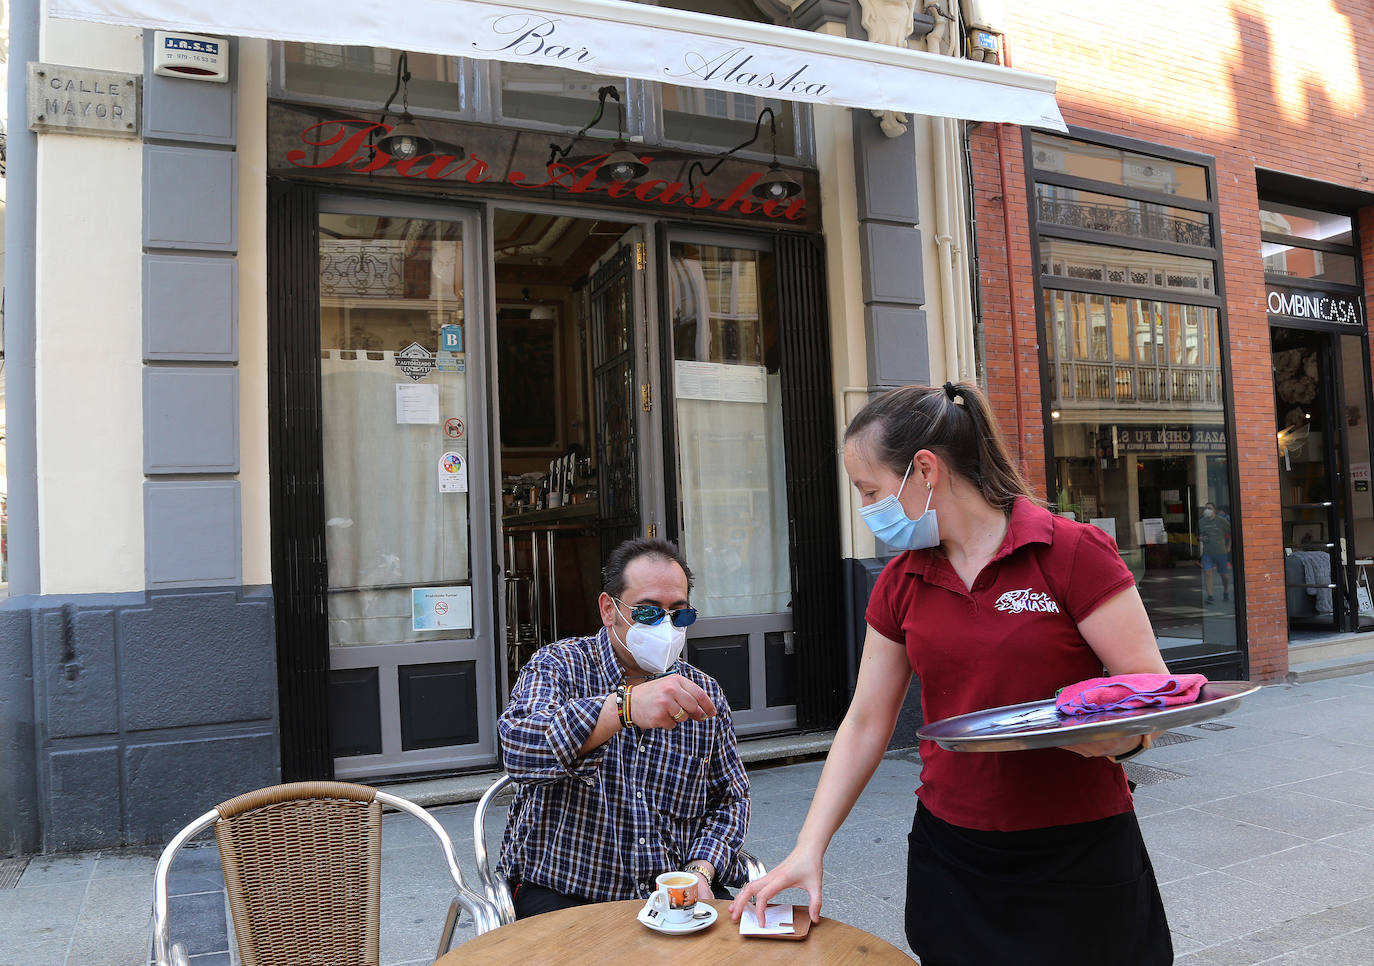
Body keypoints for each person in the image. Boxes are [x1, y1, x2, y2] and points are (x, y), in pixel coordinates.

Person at [730, 381, 1173, 965]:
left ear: (924, 470)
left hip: (1078, 850)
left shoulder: (1069, 552)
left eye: (870, 491)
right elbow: (865, 721)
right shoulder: (901, 581)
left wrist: (1122, 738)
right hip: (953, 854)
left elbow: (1151, 691)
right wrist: (809, 847)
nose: (867, 512)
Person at [497, 537, 750, 919]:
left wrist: (701, 869)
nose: (665, 625)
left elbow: (730, 799)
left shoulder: (702, 691)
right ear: (608, 609)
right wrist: (623, 706)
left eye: (679, 614)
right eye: (648, 612)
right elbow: (519, 749)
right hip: (567, 891)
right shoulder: (560, 665)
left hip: (672, 895)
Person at [1199, 500, 1232, 603]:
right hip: (1207, 553)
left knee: (1224, 575)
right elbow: (1198, 535)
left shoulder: (1221, 521)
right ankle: (1210, 596)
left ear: (1214, 510)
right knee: (1208, 573)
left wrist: (1229, 546)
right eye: (1206, 508)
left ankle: (1226, 591)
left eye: (1209, 508)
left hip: (1221, 552)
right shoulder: (1201, 522)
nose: (1207, 510)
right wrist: (1200, 538)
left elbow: (1232, 532)